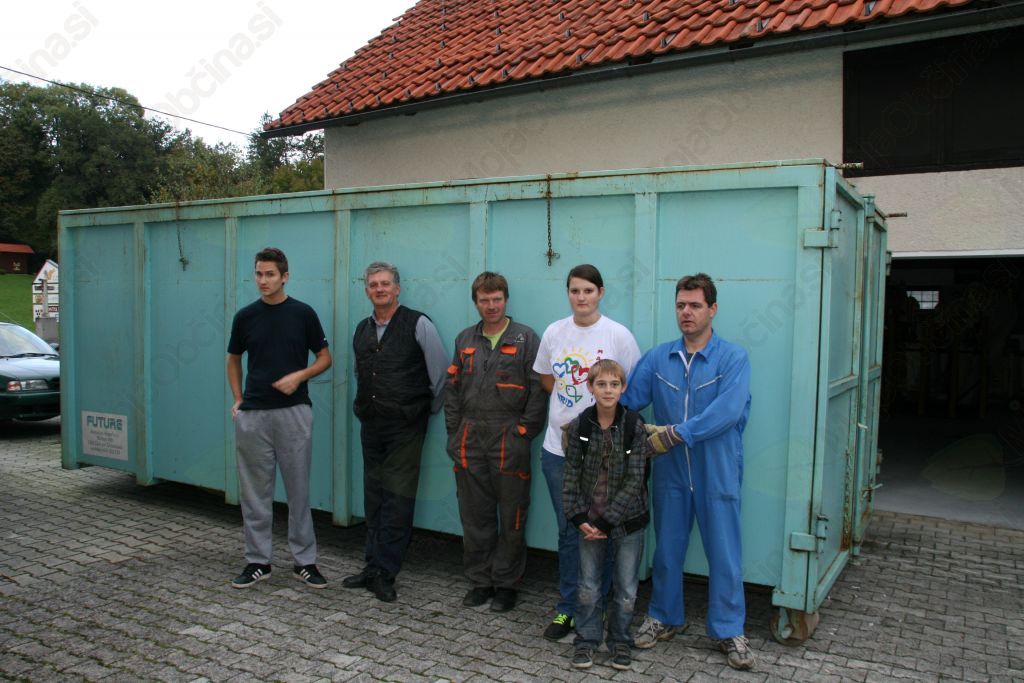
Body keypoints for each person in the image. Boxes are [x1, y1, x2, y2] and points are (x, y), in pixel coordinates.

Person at [621, 273, 755, 671]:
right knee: (667, 549)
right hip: (671, 471)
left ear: (712, 309)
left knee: (725, 553)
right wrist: (590, 411)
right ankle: (664, 616)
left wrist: (678, 433)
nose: (686, 312)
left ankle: (729, 629)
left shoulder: (733, 358)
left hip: (718, 469)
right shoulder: (658, 358)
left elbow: (727, 412)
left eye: (695, 305)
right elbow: (628, 401)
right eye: (681, 305)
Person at [533, 264, 641, 640]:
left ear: (601, 293)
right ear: (567, 293)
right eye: (575, 290)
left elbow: (630, 385)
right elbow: (547, 378)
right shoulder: (554, 332)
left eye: (588, 291)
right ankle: (569, 608)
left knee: (602, 530)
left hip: (603, 456)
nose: (581, 297)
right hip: (558, 452)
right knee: (569, 530)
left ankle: (598, 606)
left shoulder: (617, 335)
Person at [226, 247, 332, 589]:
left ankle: (305, 562)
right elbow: (232, 359)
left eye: (270, 274)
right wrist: (238, 399)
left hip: (294, 413)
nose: (263, 280)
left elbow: (325, 358)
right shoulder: (245, 317)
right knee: (254, 493)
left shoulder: (303, 314)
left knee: (299, 491)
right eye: (259, 273)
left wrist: (300, 376)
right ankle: (258, 561)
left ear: (285, 276)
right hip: (254, 415)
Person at [344, 261, 448, 602]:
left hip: (405, 427)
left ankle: (386, 572)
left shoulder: (418, 324)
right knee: (374, 496)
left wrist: (421, 412)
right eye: (373, 284)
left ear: (397, 288)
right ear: (367, 291)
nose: (380, 289)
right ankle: (371, 565)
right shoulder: (362, 329)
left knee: (397, 499)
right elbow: (362, 374)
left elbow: (440, 376)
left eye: (385, 283)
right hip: (372, 425)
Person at [444, 272, 547, 612]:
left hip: (508, 437)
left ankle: (506, 584)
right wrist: (454, 432)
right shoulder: (464, 339)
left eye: (496, 299)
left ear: (506, 299)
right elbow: (452, 389)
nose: (491, 306)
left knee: (512, 515)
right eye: (484, 300)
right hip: (469, 437)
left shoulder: (526, 338)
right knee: (475, 515)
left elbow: (538, 390)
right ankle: (480, 581)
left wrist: (524, 432)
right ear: (476, 302)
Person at [561, 360, 649, 671]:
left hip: (627, 523)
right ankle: (586, 640)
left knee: (626, 590)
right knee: (588, 587)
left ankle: (620, 641)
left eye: (614, 384)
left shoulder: (634, 426)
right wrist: (579, 518)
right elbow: (571, 475)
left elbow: (635, 480)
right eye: (601, 384)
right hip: (589, 523)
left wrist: (606, 521)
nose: (608, 390)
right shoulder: (580, 427)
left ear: (623, 388)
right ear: (590, 387)